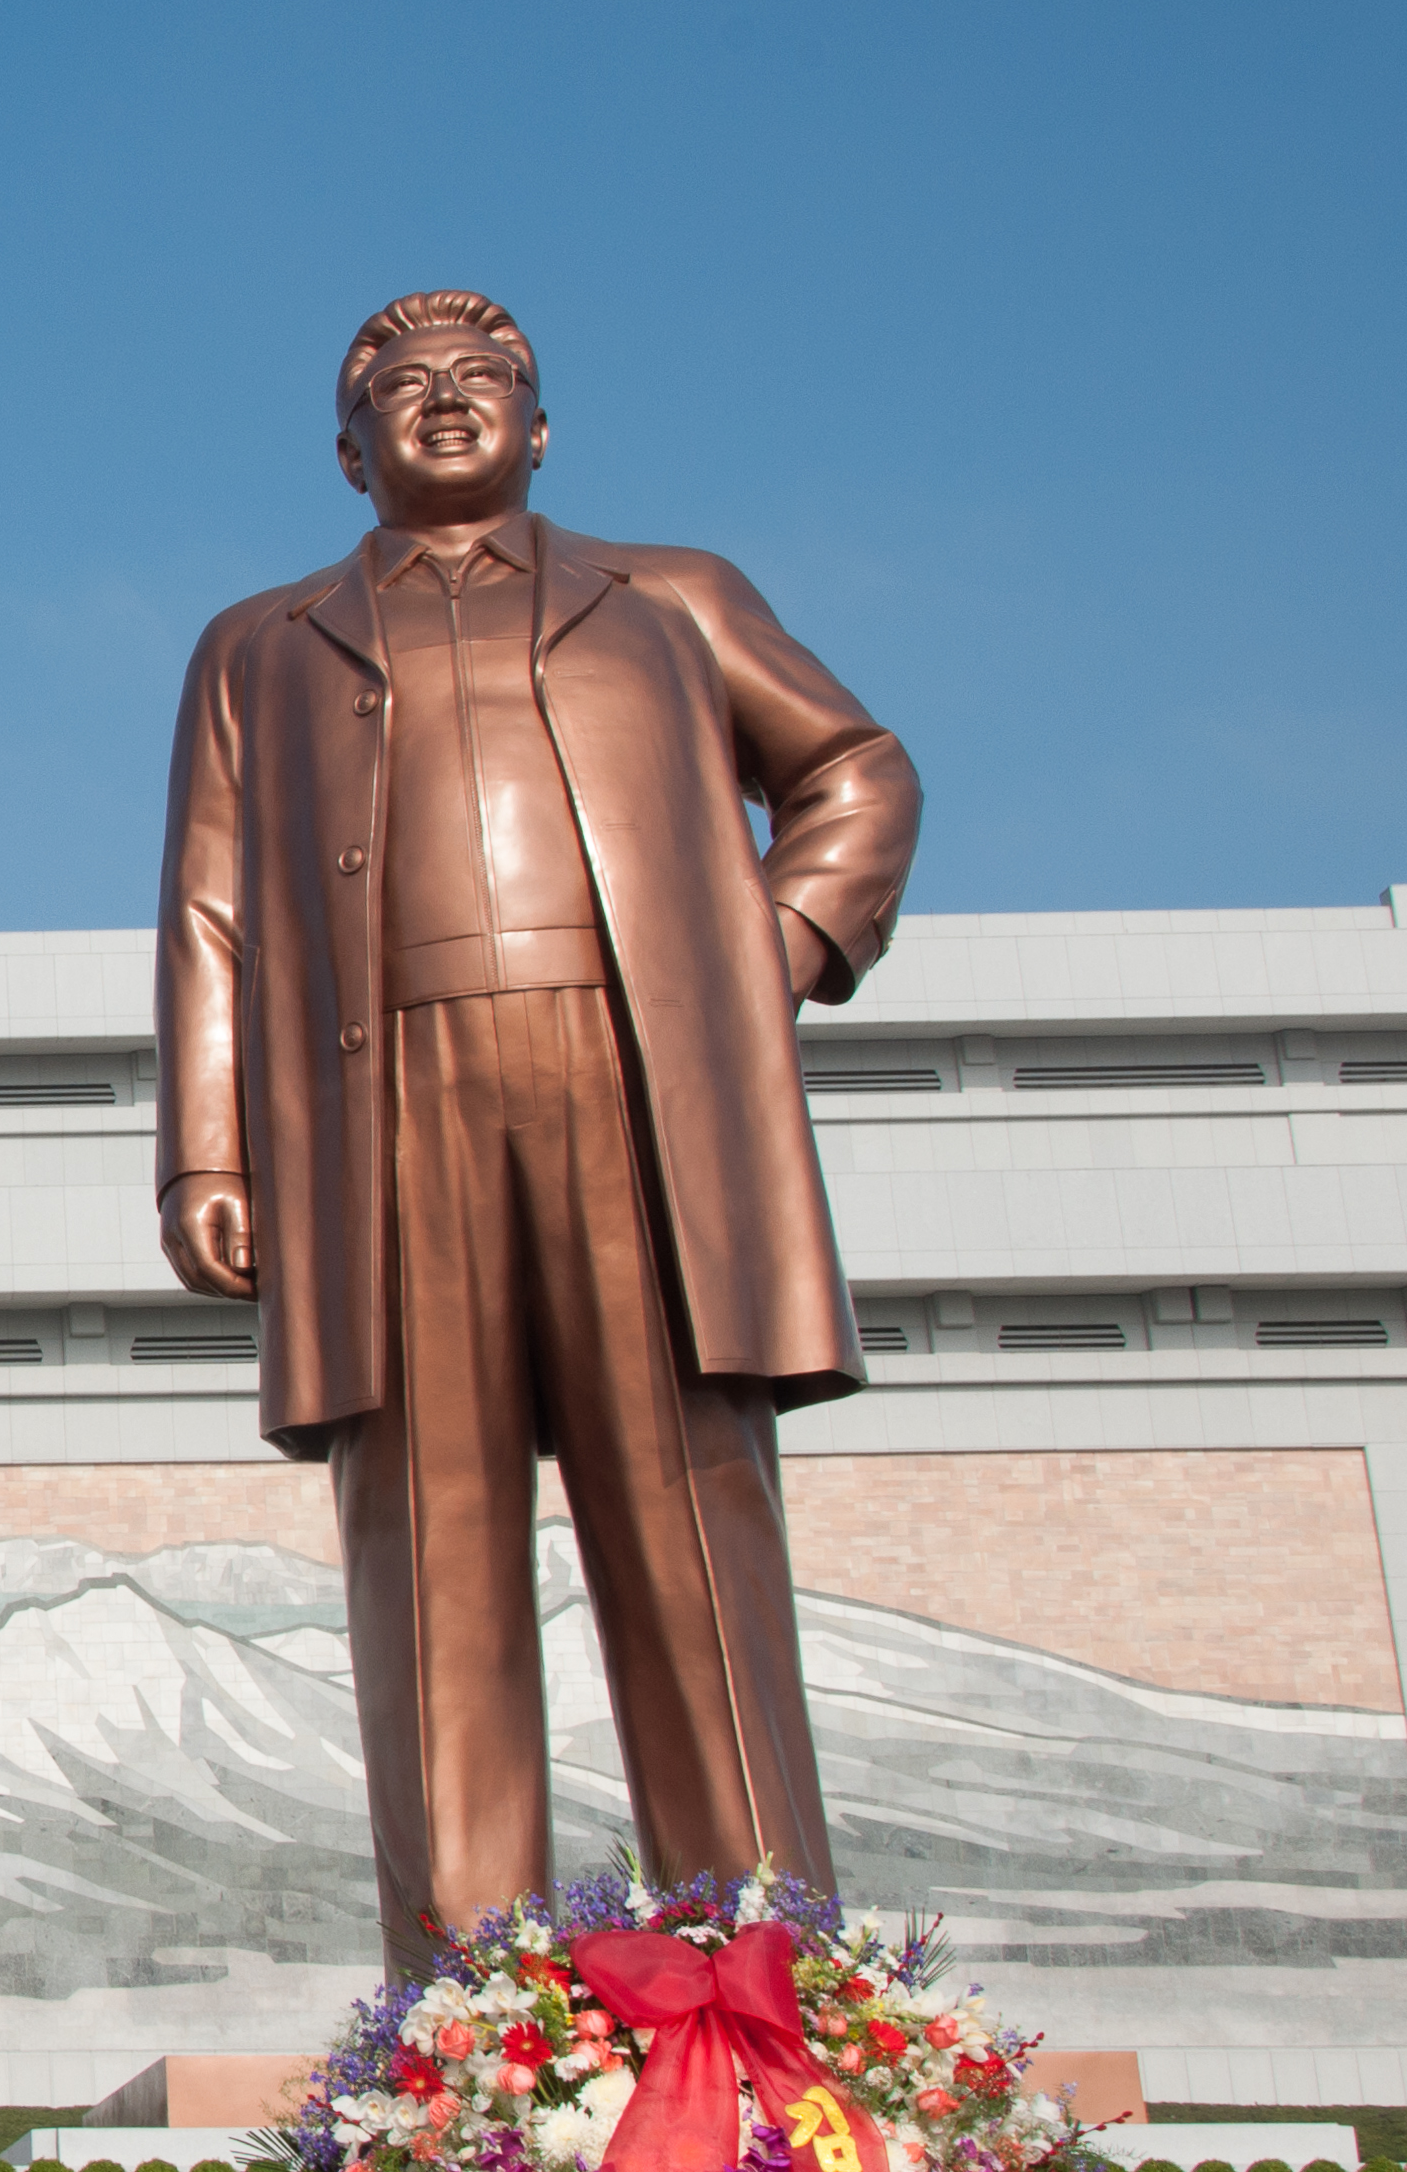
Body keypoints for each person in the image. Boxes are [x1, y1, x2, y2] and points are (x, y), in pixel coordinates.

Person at [151, 289, 919, 1952]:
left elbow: (856, 771)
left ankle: (772, 1955)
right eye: (403, 390)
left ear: (542, 424)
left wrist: (761, 959)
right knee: (430, 1541)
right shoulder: (259, 646)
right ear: (347, 453)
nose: (445, 404)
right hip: (384, 1105)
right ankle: (465, 2000)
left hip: (636, 1086)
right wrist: (210, 1148)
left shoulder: (675, 599)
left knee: (688, 1517)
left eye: (484, 379)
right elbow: (210, 909)